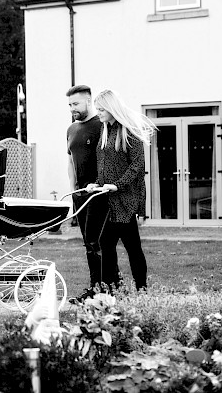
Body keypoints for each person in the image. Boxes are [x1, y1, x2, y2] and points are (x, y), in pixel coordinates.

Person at [86, 89, 156, 292]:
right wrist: (97, 184)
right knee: (110, 245)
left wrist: (118, 184)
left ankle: (139, 289)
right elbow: (104, 165)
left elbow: (137, 165)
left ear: (111, 109)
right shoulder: (105, 130)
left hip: (125, 200)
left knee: (129, 247)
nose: (98, 114)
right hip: (110, 199)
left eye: (101, 110)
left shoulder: (128, 131)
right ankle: (112, 290)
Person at [65, 85, 112, 303]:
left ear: (88, 100)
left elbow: (111, 160)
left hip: (99, 194)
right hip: (80, 195)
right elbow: (70, 162)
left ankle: (102, 291)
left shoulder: (101, 126)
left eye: (75, 104)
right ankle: (101, 289)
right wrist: (73, 190)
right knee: (89, 244)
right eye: (70, 105)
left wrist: (101, 185)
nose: (72, 108)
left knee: (97, 243)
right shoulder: (72, 129)